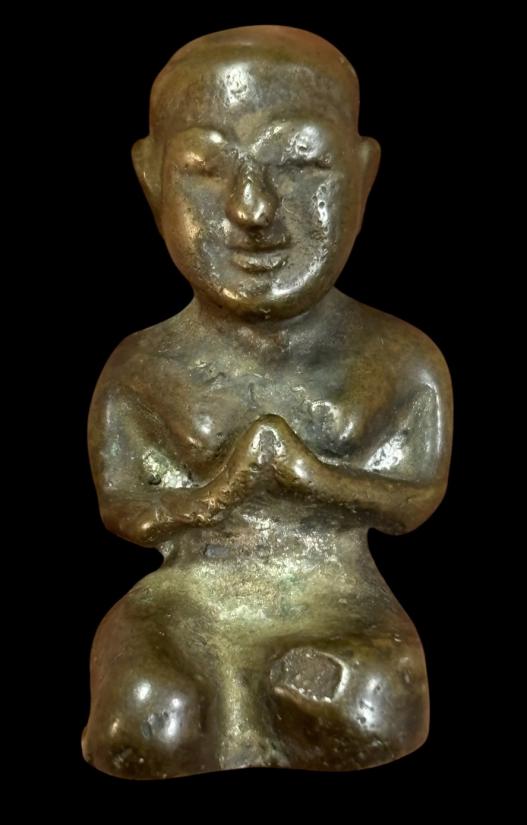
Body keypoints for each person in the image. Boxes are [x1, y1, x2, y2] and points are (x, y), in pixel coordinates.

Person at [82, 25, 453, 778]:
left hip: (341, 602)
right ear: (152, 180)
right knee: (149, 720)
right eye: (206, 169)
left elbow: (413, 501)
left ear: (362, 174)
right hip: (183, 605)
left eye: (299, 162)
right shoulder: (143, 367)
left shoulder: (399, 359)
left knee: (360, 712)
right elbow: (125, 510)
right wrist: (217, 493)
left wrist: (308, 478)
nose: (252, 208)